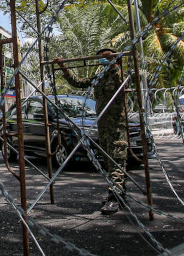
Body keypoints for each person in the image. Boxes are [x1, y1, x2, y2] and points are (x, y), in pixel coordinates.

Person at [53, 49, 128, 215]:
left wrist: (114, 64)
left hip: (116, 126)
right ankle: (120, 193)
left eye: (106, 57)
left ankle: (114, 197)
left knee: (116, 160)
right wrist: (63, 67)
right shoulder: (100, 78)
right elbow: (78, 82)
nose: (102, 59)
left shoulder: (119, 75)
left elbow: (121, 84)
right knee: (109, 162)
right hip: (103, 126)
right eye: (101, 57)